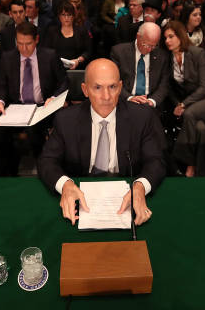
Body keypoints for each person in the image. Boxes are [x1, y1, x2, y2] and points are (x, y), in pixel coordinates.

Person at [38, 58, 165, 226]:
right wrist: (66, 185)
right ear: (85, 89)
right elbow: (47, 161)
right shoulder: (66, 119)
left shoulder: (142, 117)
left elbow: (156, 161)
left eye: (112, 87)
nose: (106, 96)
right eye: (97, 87)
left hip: (126, 196)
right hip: (82, 199)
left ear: (120, 87)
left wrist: (140, 186)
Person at [0, 22, 68, 175]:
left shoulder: (50, 56)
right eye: (19, 43)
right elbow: (1, 85)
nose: (24, 48)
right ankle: (8, 176)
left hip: (42, 107)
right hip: (16, 108)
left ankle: (42, 171)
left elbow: (64, 81)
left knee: (35, 134)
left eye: (28, 44)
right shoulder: (7, 58)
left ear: (36, 40)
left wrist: (54, 97)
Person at [163, 21, 205, 177]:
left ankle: (177, 159)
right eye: (165, 38)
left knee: (189, 114)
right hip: (187, 105)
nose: (167, 41)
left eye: (171, 36)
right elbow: (169, 89)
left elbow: (204, 87)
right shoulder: (167, 59)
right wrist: (177, 104)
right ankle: (196, 168)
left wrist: (183, 105)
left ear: (180, 36)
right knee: (200, 129)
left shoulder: (197, 53)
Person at [110, 22, 169, 109]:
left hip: (150, 104)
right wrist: (129, 98)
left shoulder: (162, 56)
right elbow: (113, 82)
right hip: (125, 102)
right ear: (138, 36)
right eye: (146, 45)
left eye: (153, 46)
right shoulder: (119, 52)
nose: (149, 49)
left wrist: (152, 101)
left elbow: (164, 84)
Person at [42, 1, 92, 70]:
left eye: (69, 15)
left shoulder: (82, 31)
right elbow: (46, 51)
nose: (66, 18)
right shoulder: (52, 31)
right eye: (63, 14)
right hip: (56, 69)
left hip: (77, 69)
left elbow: (88, 52)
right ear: (59, 16)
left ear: (73, 16)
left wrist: (77, 60)